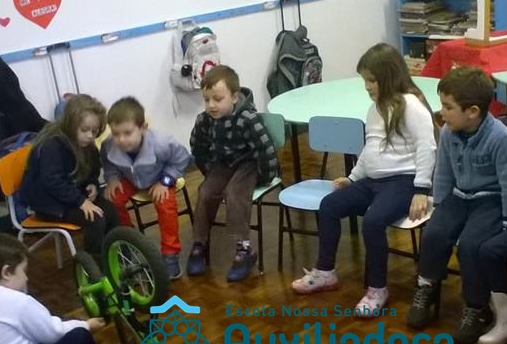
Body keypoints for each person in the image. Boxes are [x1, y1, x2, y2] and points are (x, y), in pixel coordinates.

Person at [290, 43, 436, 316]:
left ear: (388, 76)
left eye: (371, 80)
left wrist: (421, 189)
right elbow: (371, 149)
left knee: (373, 222)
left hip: (403, 182)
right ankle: (325, 272)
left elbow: (427, 148)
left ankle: (377, 289)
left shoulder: (412, 105)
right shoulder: (375, 109)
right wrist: (352, 177)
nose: (367, 86)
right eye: (365, 80)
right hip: (372, 182)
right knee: (329, 206)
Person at [406, 66, 507, 344]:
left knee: (471, 245)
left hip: (491, 200)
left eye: (448, 107)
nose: (442, 112)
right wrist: (440, 207)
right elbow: (443, 172)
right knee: (434, 234)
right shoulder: (449, 132)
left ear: (472, 111)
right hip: (459, 197)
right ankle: (426, 287)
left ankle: (477, 307)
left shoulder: (501, 139)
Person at [188, 65, 278, 281]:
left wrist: (264, 178)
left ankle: (244, 249)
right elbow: (197, 147)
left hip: (248, 164)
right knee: (205, 192)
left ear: (235, 97)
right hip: (222, 164)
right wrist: (209, 172)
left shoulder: (248, 118)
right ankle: (199, 243)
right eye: (207, 99)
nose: (211, 105)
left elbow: (266, 150)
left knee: (235, 195)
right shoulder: (204, 120)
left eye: (218, 99)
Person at [101, 96, 191, 279]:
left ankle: (170, 254)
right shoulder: (108, 145)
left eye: (127, 133)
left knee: (165, 204)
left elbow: (182, 159)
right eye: (116, 133)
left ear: (143, 127)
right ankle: (128, 242)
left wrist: (165, 181)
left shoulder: (162, 143)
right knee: (112, 199)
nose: (121, 139)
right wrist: (112, 178)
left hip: (160, 177)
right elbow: (108, 162)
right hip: (130, 179)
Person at [20, 94, 119, 261]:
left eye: (94, 131)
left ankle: (120, 257)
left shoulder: (86, 144)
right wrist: (80, 202)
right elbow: (53, 181)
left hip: (71, 193)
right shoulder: (52, 145)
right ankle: (96, 265)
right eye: (85, 130)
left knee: (110, 210)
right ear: (71, 124)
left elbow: (93, 169)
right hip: (49, 203)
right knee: (95, 219)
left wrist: (92, 184)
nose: (90, 136)